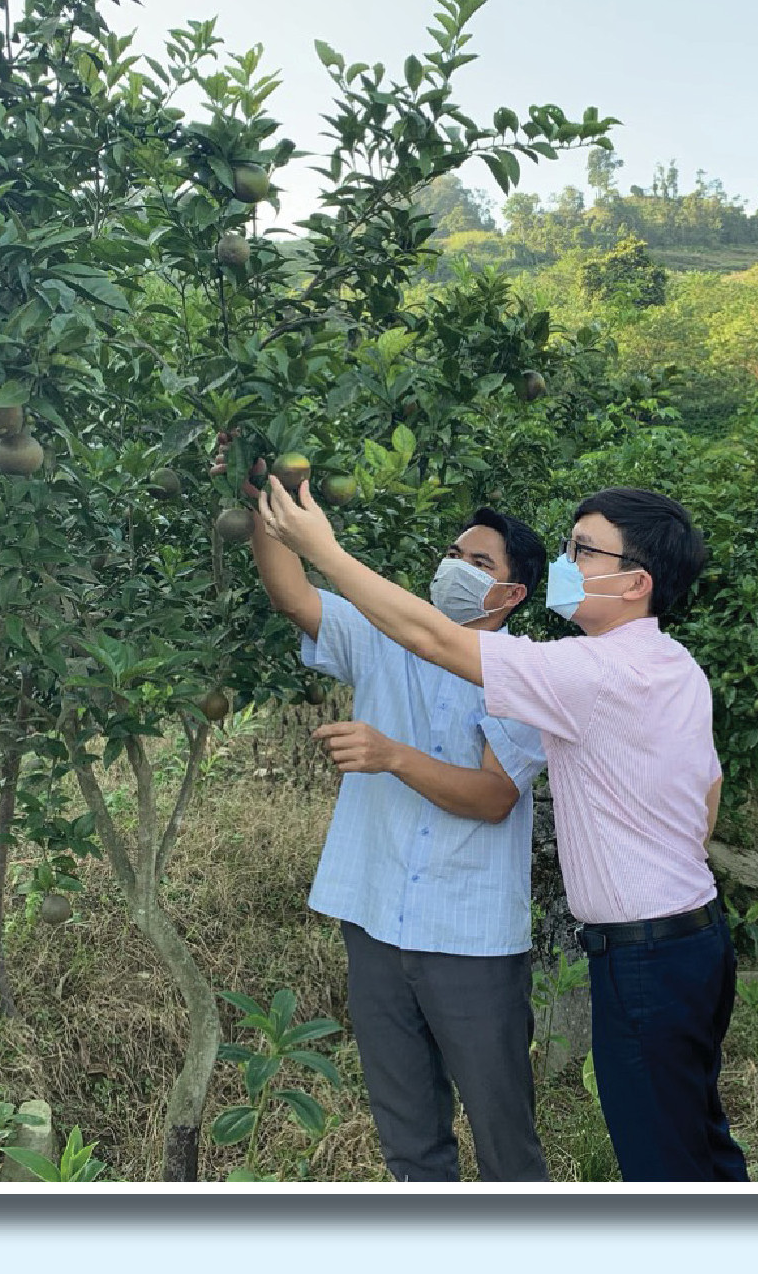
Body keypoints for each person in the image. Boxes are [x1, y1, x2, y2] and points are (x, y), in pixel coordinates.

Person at [260, 478, 747, 1183]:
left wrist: (325, 550)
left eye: (585, 550)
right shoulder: (673, 664)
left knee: (662, 1163)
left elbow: (432, 637)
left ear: (636, 581)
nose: (568, 563)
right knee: (698, 1141)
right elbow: (709, 790)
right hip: (691, 934)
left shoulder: (590, 671)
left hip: (645, 953)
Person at [228, 450, 552, 1183]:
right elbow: (292, 593)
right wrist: (265, 499)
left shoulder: (527, 673)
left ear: (510, 592)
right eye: (452, 552)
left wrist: (391, 755)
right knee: (409, 1137)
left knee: (505, 1138)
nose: (454, 566)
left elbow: (494, 796)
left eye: (477, 559)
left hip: (469, 939)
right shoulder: (383, 637)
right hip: (376, 921)